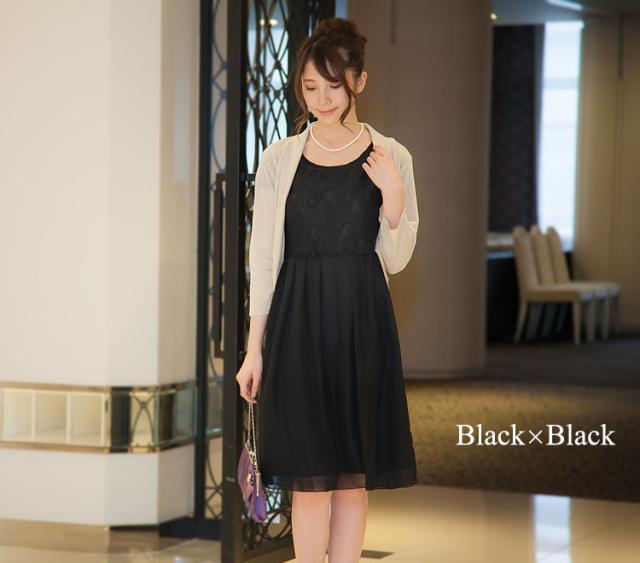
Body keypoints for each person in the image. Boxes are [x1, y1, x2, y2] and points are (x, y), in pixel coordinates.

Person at [235, 16, 419, 563]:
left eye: (332, 86)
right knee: (308, 481)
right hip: (297, 325)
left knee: (351, 482)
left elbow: (397, 258)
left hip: (363, 323)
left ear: (359, 82)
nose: (320, 99)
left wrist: (392, 196)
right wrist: (253, 350)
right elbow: (263, 259)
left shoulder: (391, 155)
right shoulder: (279, 158)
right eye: (310, 87)